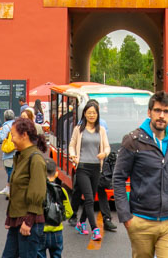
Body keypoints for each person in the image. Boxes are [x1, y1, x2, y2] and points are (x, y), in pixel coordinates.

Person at [113, 91, 168, 258]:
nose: (161, 116)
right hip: (141, 220)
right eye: (157, 110)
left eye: (166, 111)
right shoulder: (133, 140)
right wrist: (126, 217)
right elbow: (118, 178)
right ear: (149, 112)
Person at [2, 117, 48, 258]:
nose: (11, 140)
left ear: (24, 135)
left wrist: (28, 221)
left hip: (28, 222)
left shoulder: (35, 159)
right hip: (17, 220)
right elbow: (18, 191)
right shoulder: (21, 156)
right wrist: (10, 218)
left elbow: (38, 192)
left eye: (13, 135)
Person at [68, 99, 111, 241]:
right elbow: (72, 145)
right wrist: (73, 155)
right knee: (89, 199)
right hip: (82, 167)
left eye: (94, 113)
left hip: (96, 168)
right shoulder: (78, 129)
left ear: (97, 114)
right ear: (84, 114)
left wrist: (104, 153)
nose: (92, 115)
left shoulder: (101, 130)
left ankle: (81, 223)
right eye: (89, 113)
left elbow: (107, 147)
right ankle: (95, 230)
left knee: (90, 197)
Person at [43, 157, 73, 258]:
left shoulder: (39, 190)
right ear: (56, 173)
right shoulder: (61, 190)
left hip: (41, 230)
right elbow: (69, 212)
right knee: (56, 255)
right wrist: (58, 217)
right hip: (57, 231)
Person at [0, 109, 17, 194]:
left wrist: (0, 131)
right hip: (16, 149)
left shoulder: (6, 126)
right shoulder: (17, 124)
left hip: (8, 152)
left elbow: (2, 138)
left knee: (9, 170)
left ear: (5, 117)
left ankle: (10, 188)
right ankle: (9, 187)